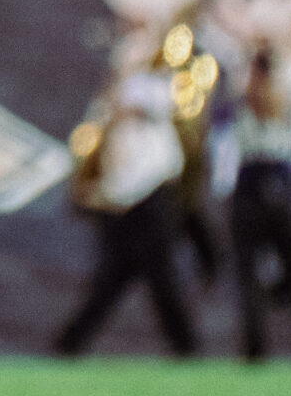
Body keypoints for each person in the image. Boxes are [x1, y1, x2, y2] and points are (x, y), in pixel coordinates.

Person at [53, 48, 198, 357]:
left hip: (151, 202)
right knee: (112, 283)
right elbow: (101, 153)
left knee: (157, 283)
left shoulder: (153, 88)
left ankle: (186, 349)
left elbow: (160, 100)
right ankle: (69, 344)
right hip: (120, 207)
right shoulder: (108, 104)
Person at [215, 50, 291, 361]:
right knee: (267, 274)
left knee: (287, 273)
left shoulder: (277, 99)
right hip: (264, 187)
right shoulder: (254, 101)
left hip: (261, 186)